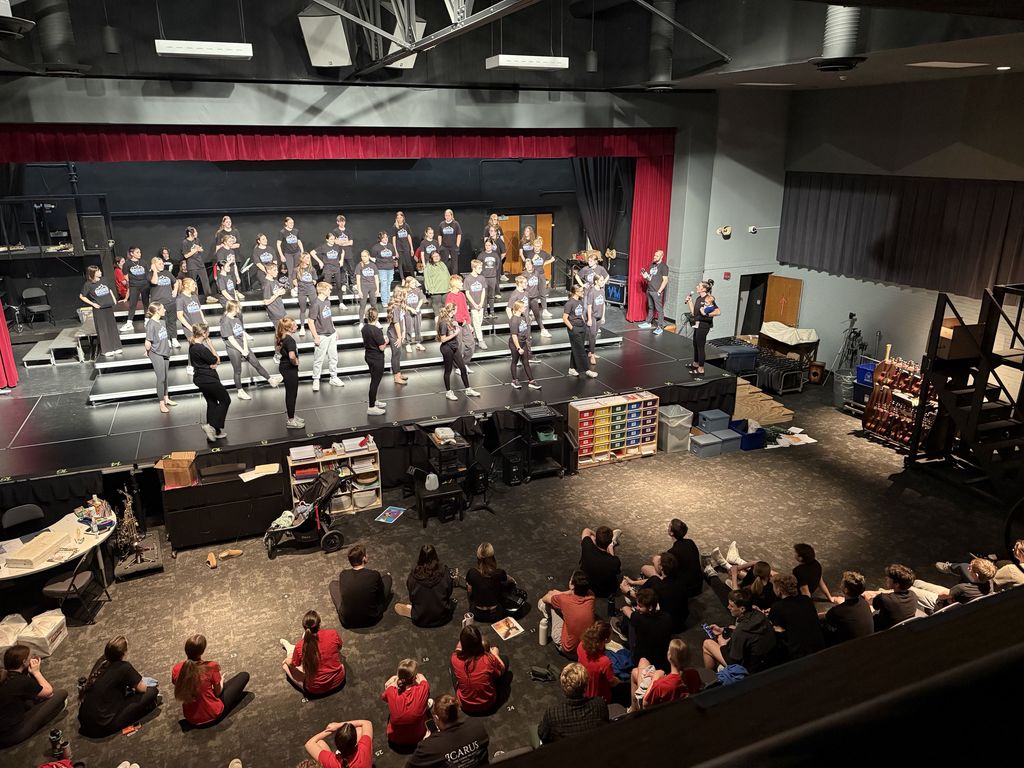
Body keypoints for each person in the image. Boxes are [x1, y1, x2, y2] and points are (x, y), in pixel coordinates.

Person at [78, 635, 159, 737]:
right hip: (102, 725)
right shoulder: (124, 667)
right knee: (152, 691)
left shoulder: (100, 663)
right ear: (124, 652)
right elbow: (142, 689)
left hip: (85, 722)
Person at [171, 634, 250, 727]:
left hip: (191, 719)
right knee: (244, 675)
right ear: (202, 651)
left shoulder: (176, 669)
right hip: (213, 715)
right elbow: (218, 693)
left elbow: (181, 685)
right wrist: (221, 681)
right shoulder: (211, 666)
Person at [0, 645, 67, 748]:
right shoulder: (20, 681)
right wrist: (36, 672)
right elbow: (49, 692)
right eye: (31, 657)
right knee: (61, 694)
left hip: (4, 725)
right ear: (24, 662)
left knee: (34, 700)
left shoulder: (5, 676)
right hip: (11, 734)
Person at [701, 588, 778, 673]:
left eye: (731, 606)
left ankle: (710, 677)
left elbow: (733, 662)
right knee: (730, 627)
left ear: (742, 609)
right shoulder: (760, 615)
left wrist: (723, 645)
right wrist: (723, 630)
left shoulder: (741, 631)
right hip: (769, 660)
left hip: (749, 670)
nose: (728, 607)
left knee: (707, 644)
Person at [407, 694, 489, 768]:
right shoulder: (476, 726)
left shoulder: (428, 747)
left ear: (436, 718)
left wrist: (426, 743)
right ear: (458, 712)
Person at [221, 300, 281, 400]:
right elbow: (231, 339)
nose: (240, 308)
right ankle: (240, 391)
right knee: (237, 370)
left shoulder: (237, 318)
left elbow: (242, 333)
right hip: (233, 348)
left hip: (242, 345)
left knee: (256, 364)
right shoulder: (225, 321)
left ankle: (271, 380)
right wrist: (241, 350)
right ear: (234, 308)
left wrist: (245, 348)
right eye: (238, 307)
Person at [537, 663, 608, 744]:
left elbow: (542, 735)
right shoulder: (599, 704)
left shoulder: (553, 712)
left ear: (563, 685)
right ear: (586, 685)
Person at [280, 610, 345, 696]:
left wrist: (287, 660)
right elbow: (339, 647)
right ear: (319, 624)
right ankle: (291, 649)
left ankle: (290, 649)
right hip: (339, 681)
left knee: (286, 666)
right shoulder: (333, 633)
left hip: (316, 689)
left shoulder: (300, 646)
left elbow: (293, 664)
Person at [330, 544, 393, 629]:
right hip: (372, 619)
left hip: (347, 621)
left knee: (333, 584)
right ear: (364, 558)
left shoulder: (343, 574)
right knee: (387, 578)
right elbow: (380, 594)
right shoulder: (374, 575)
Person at [623, 552, 689, 633]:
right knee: (654, 578)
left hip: (667, 625)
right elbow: (655, 580)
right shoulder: (680, 580)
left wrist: (628, 591)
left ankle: (624, 630)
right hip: (682, 621)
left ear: (661, 567)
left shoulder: (661, 587)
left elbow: (645, 598)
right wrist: (633, 582)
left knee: (628, 612)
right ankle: (635, 587)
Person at [450, 624, 506, 715]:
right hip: (488, 704)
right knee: (505, 660)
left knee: (452, 667)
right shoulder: (488, 659)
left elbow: (457, 649)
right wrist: (495, 654)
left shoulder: (455, 658)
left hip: (465, 706)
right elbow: (502, 669)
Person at [633, 639, 702, 712]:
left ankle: (633, 712)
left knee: (642, 662)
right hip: (685, 711)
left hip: (658, 715)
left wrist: (655, 678)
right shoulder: (694, 673)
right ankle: (632, 710)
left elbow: (645, 705)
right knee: (635, 671)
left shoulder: (661, 686)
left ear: (669, 656)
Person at [395, 545, 455, 627]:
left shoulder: (412, 577)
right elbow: (449, 593)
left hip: (420, 619)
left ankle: (415, 611)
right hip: (443, 618)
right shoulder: (445, 573)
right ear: (435, 557)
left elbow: (412, 598)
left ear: (420, 558)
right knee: (451, 602)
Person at [539, 570, 596, 657]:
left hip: (569, 650)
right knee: (559, 603)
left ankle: (547, 613)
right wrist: (560, 593)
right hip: (586, 650)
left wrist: (554, 594)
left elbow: (545, 598)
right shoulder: (591, 595)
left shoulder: (564, 600)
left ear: (572, 585)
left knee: (548, 605)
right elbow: (571, 593)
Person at [642, 519, 703, 599]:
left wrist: (655, 561)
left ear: (671, 533)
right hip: (698, 585)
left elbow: (662, 571)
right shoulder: (690, 542)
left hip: (684, 589)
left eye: (669, 526)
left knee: (645, 568)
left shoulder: (673, 552)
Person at [189, 323, 230, 442]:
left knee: (212, 403)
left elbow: (209, 363)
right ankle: (211, 426)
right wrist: (211, 345)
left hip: (200, 378)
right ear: (203, 333)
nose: (209, 333)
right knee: (225, 400)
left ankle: (215, 432)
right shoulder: (201, 348)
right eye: (208, 331)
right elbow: (217, 360)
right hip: (208, 379)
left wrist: (211, 365)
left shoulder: (192, 346)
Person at [769, 574, 825, 659]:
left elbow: (776, 627)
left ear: (779, 589)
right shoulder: (806, 600)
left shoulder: (777, 607)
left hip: (799, 652)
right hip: (819, 646)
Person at [911, 557, 997, 613]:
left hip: (942, 605)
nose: (968, 567)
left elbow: (941, 596)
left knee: (911, 590)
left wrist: (951, 594)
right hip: (953, 596)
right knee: (918, 583)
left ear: (976, 575)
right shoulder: (990, 583)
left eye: (970, 568)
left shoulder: (963, 588)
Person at [617, 587, 673, 672]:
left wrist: (627, 608)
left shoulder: (640, 619)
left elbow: (626, 609)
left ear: (650, 607)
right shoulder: (667, 617)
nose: (637, 608)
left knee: (630, 621)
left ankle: (624, 634)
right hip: (662, 661)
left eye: (640, 606)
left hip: (642, 661)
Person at [381, 659, 430, 748]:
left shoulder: (390, 691)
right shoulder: (424, 688)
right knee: (426, 701)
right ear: (414, 677)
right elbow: (421, 677)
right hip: (419, 736)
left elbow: (384, 698)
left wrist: (394, 681)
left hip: (395, 738)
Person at [436, 302, 479, 402]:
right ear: (453, 310)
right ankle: (448, 392)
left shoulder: (451, 319)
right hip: (447, 348)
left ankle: (468, 389)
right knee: (448, 371)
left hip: (454, 347)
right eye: (456, 309)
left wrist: (456, 327)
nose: (457, 311)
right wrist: (455, 333)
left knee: (463, 368)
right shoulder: (443, 322)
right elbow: (443, 339)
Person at [308, 282, 345, 392]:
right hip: (321, 335)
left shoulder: (327, 301)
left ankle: (333, 377)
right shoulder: (315, 304)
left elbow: (329, 317)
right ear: (322, 290)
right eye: (329, 289)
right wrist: (315, 336)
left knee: (333, 357)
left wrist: (334, 330)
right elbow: (310, 321)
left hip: (331, 334)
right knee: (318, 359)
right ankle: (316, 379)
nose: (330, 291)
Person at [80, 264, 122, 357]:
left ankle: (116, 347)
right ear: (93, 273)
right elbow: (82, 296)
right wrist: (93, 304)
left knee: (112, 327)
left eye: (99, 270)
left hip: (108, 307)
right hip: (99, 309)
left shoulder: (104, 280)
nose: (100, 272)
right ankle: (107, 349)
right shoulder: (88, 284)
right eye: (98, 271)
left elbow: (109, 290)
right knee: (103, 329)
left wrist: (114, 299)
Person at [466, 542, 514, 623]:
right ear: (492, 557)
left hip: (476, 614)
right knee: (504, 584)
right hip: (495, 615)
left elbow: (469, 590)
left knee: (469, 585)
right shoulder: (499, 573)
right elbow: (510, 580)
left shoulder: (472, 572)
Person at [823, 570, 874, 646]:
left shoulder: (837, 612)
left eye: (842, 583)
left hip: (849, 649)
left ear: (846, 590)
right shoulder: (864, 603)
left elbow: (827, 617)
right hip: (868, 643)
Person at [863, 563, 918, 630]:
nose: (886, 578)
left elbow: (873, 604)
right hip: (903, 627)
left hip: (881, 630)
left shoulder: (883, 598)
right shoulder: (913, 595)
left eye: (889, 578)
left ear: (897, 584)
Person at [145, 303, 177, 413]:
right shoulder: (151, 324)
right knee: (161, 378)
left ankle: (166, 398)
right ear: (157, 311)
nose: (165, 310)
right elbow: (148, 341)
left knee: (166, 377)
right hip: (156, 353)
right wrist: (148, 351)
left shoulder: (162, 321)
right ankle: (161, 403)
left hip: (165, 351)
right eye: (163, 308)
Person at [576, 621, 619, 704]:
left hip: (582, 689)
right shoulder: (604, 661)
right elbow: (612, 682)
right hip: (599, 698)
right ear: (606, 639)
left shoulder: (581, 645)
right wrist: (618, 680)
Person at [304, 719, 373, 768]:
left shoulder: (331, 762)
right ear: (355, 743)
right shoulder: (364, 749)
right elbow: (366, 723)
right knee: (360, 730)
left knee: (320, 743)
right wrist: (338, 725)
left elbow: (309, 744)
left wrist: (330, 730)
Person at [275, 317, 304, 429]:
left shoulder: (283, 337)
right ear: (289, 328)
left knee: (291, 394)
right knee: (292, 395)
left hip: (284, 367)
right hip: (289, 369)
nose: (297, 326)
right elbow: (292, 356)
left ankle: (291, 415)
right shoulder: (290, 340)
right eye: (294, 325)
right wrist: (296, 362)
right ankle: (291, 420)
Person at [579, 526, 621, 601]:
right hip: (605, 592)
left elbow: (586, 530)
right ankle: (611, 545)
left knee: (591, 537)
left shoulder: (587, 546)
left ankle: (607, 544)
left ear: (596, 540)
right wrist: (610, 548)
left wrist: (598, 537)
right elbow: (616, 571)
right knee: (612, 569)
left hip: (587, 587)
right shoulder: (615, 561)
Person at [563, 284, 596, 378]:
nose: (583, 293)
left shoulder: (580, 301)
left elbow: (580, 313)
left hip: (582, 327)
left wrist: (584, 323)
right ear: (576, 292)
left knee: (576, 348)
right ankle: (587, 370)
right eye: (581, 291)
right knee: (581, 350)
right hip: (574, 328)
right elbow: (564, 318)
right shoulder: (569, 303)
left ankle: (571, 368)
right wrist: (572, 328)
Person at [685, 280, 717, 375]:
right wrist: (690, 302)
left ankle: (701, 368)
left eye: (699, 286)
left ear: (703, 289)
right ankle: (696, 363)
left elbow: (716, 312)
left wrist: (706, 314)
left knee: (700, 346)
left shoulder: (708, 299)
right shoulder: (699, 298)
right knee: (695, 344)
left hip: (704, 326)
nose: (697, 287)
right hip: (697, 324)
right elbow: (694, 313)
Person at [508, 300, 541, 391]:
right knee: (514, 361)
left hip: (523, 342)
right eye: (523, 307)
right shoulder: (514, 320)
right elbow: (514, 335)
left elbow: (525, 329)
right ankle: (514, 380)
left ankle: (531, 381)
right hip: (515, 344)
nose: (525, 308)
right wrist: (518, 348)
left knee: (526, 362)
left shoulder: (522, 317)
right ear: (519, 308)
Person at [361, 306, 388, 416]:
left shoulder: (364, 328)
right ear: (376, 317)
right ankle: (371, 407)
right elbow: (381, 347)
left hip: (369, 356)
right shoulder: (377, 330)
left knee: (374, 380)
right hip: (377, 358)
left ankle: (374, 400)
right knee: (375, 382)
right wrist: (386, 341)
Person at [150, 254, 180, 349]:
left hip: (170, 302)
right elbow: (154, 282)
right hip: (159, 304)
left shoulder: (167, 273)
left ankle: (174, 339)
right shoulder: (150, 274)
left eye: (162, 263)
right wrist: (154, 271)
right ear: (154, 265)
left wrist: (175, 290)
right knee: (164, 323)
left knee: (172, 322)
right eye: (159, 264)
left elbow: (176, 282)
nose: (162, 265)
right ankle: (167, 340)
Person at [445, 274, 475, 368]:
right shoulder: (450, 296)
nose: (462, 284)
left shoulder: (462, 295)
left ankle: (463, 364)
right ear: (455, 284)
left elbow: (465, 309)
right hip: (456, 324)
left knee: (471, 344)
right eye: (461, 282)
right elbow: (450, 312)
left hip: (465, 323)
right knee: (459, 346)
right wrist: (456, 323)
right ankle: (458, 366)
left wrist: (469, 323)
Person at [637, 250, 669, 334]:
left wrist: (659, 291)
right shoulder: (652, 265)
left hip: (656, 291)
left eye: (657, 256)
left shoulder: (664, 267)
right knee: (651, 307)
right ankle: (648, 322)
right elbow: (650, 278)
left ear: (661, 257)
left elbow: (665, 280)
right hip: (650, 290)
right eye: (655, 255)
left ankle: (660, 327)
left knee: (659, 309)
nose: (655, 257)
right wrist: (645, 276)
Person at [310, 232, 344, 305]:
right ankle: (326, 303)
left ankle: (341, 303)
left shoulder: (337, 246)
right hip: (328, 268)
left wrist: (341, 260)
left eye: (334, 239)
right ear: (327, 240)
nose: (333, 240)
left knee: (339, 286)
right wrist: (320, 262)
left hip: (336, 268)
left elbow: (342, 252)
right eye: (331, 239)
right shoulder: (323, 247)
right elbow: (312, 252)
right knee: (327, 287)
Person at [121, 246, 149, 331]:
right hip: (134, 286)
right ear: (132, 253)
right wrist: (133, 281)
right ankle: (129, 323)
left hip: (144, 285)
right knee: (132, 304)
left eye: (140, 252)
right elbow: (125, 276)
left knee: (146, 303)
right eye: (137, 252)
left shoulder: (143, 262)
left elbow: (147, 273)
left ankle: (147, 320)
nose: (140, 254)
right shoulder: (127, 264)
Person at [175, 277, 206, 353]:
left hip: (199, 326)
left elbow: (199, 310)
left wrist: (203, 320)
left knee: (202, 348)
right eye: (193, 284)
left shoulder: (194, 296)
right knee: (195, 349)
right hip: (190, 327)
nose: (195, 286)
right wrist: (190, 328)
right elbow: (179, 316)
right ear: (186, 285)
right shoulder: (180, 299)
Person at [293, 252, 320, 337]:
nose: (309, 259)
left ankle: (316, 325)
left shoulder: (312, 269)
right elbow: (294, 280)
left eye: (309, 258)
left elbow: (315, 280)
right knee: (303, 309)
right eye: (307, 258)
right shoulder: (296, 269)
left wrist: (311, 282)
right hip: (302, 291)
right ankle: (302, 327)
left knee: (315, 307)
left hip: (311, 290)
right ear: (302, 259)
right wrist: (297, 285)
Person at [422, 245, 450, 325]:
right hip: (435, 291)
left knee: (445, 309)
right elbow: (427, 278)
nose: (436, 257)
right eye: (434, 256)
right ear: (431, 258)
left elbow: (448, 275)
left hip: (445, 290)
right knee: (437, 310)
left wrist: (450, 286)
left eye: (437, 256)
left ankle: (446, 326)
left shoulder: (442, 264)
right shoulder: (428, 266)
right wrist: (429, 289)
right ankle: (438, 328)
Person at [180, 226, 211, 298]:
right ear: (190, 233)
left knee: (205, 281)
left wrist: (199, 249)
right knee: (192, 282)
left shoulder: (197, 240)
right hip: (192, 265)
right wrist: (194, 250)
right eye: (195, 232)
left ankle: (208, 296)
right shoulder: (185, 242)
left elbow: (201, 249)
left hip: (200, 264)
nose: (196, 233)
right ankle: (193, 297)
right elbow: (186, 256)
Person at [387, 288, 409, 386]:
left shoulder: (401, 305)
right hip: (394, 334)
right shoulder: (395, 307)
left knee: (398, 354)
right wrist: (399, 337)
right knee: (395, 355)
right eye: (405, 294)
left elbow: (402, 319)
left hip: (399, 332)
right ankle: (396, 377)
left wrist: (403, 331)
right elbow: (396, 323)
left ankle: (398, 373)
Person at [463, 260, 488, 349]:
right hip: (473, 305)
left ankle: (474, 336)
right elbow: (467, 293)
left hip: (481, 304)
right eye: (479, 268)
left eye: (481, 267)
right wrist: (474, 304)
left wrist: (481, 303)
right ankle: (481, 340)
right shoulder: (468, 279)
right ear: (474, 268)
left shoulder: (481, 278)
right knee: (476, 322)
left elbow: (483, 291)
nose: (481, 269)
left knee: (479, 322)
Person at [523, 259, 549, 339]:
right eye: (526, 265)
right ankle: (527, 333)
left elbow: (539, 285)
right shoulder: (524, 274)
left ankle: (543, 330)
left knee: (537, 315)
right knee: (525, 316)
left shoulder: (536, 273)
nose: (528, 266)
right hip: (526, 298)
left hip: (534, 298)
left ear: (532, 265)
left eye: (529, 264)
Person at [530, 236, 555, 318]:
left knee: (543, 293)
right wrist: (533, 259)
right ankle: (532, 309)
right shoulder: (530, 253)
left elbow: (552, 259)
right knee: (533, 293)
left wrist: (545, 263)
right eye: (535, 246)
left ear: (540, 246)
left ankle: (545, 310)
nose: (536, 248)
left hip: (541, 274)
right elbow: (527, 263)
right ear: (533, 246)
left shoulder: (543, 253)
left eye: (538, 246)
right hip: (533, 275)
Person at [585, 275, 607, 366]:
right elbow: (589, 306)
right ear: (596, 281)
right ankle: (592, 354)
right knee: (592, 334)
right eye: (601, 280)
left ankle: (591, 352)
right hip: (593, 316)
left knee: (595, 334)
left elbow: (603, 304)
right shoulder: (592, 292)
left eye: (603, 280)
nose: (602, 282)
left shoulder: (602, 290)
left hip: (599, 316)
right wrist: (589, 319)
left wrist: (603, 316)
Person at [371, 231, 397, 306]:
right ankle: (384, 301)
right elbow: (372, 258)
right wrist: (380, 261)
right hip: (381, 268)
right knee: (384, 284)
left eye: (386, 237)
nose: (386, 239)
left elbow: (393, 256)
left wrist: (393, 262)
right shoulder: (376, 247)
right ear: (380, 239)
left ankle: (388, 300)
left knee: (388, 284)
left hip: (390, 268)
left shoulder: (390, 246)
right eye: (383, 237)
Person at [402, 275, 427, 352]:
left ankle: (418, 343)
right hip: (408, 313)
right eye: (412, 283)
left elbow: (422, 299)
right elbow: (402, 303)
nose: (414, 284)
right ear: (408, 283)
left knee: (418, 328)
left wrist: (418, 307)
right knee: (409, 328)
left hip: (417, 312)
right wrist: (410, 309)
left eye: (414, 283)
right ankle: (408, 343)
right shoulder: (404, 291)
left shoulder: (417, 290)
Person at [331, 214, 356, 292]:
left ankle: (354, 283)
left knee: (351, 268)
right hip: (340, 253)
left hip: (348, 253)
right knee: (342, 269)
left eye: (343, 221)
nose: (342, 223)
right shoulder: (335, 231)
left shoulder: (349, 231)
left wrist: (341, 242)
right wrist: (345, 241)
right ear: (337, 222)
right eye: (340, 221)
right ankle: (343, 284)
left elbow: (351, 242)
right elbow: (335, 242)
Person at [479, 238, 502, 318]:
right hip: (484, 278)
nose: (487, 247)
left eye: (489, 245)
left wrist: (494, 272)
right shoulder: (481, 255)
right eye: (486, 245)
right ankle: (485, 311)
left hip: (492, 277)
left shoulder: (495, 255)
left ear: (492, 246)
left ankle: (492, 310)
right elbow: (478, 265)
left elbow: (498, 265)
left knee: (491, 295)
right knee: (484, 295)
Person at [262, 262, 289, 328]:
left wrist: (282, 291)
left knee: (283, 331)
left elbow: (279, 291)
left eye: (277, 270)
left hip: (280, 310)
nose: (277, 272)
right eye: (274, 270)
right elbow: (266, 301)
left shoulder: (275, 281)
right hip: (275, 312)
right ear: (268, 271)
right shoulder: (267, 284)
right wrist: (277, 294)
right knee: (280, 332)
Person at [356, 249, 381, 322]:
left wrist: (377, 289)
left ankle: (376, 321)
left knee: (374, 304)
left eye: (365, 256)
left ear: (368, 256)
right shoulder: (359, 266)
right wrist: (359, 291)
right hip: (364, 287)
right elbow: (358, 279)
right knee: (362, 304)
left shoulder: (373, 265)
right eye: (362, 256)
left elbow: (376, 278)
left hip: (372, 287)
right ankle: (361, 322)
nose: (363, 258)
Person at [392, 212, 417, 281]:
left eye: (400, 217)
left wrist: (411, 248)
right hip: (399, 248)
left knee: (409, 263)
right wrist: (395, 250)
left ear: (403, 218)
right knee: (400, 264)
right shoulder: (395, 227)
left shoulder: (406, 226)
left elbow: (409, 237)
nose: (399, 219)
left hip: (406, 247)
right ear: (396, 219)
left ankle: (414, 278)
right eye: (398, 218)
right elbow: (394, 239)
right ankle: (402, 279)